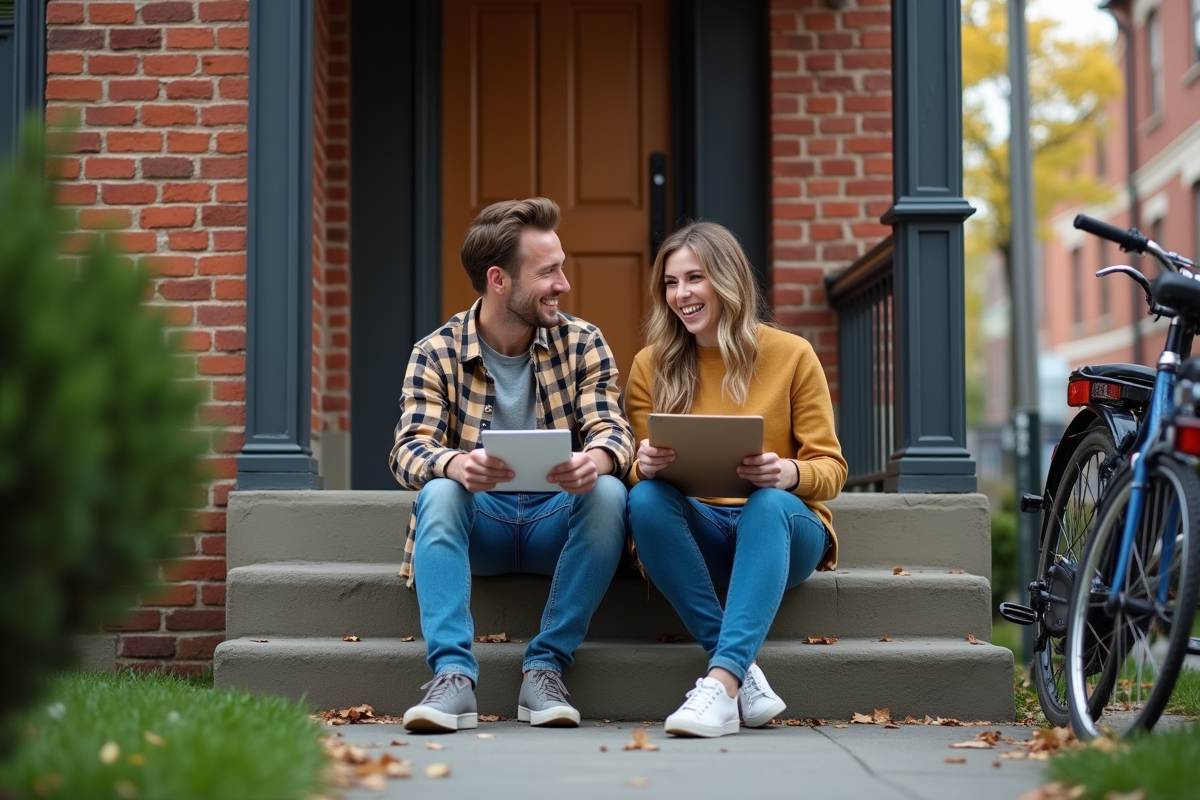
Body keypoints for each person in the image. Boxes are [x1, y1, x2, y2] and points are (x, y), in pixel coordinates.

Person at [389, 197, 634, 733]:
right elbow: (408, 449)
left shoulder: (582, 342)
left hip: (556, 525)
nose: (563, 284)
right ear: (498, 279)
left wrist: (594, 460)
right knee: (438, 492)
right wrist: (455, 464)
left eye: (561, 268)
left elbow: (615, 432)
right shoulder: (435, 352)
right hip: (482, 529)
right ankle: (453, 676)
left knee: (612, 492)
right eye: (547, 272)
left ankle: (545, 667)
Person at [625, 221, 847, 738]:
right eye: (671, 283)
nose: (681, 295)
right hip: (698, 532)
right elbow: (635, 469)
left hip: (782, 533)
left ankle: (720, 682)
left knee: (766, 503)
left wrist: (787, 472)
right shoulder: (649, 365)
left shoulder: (792, 355)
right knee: (647, 498)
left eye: (694, 279)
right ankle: (741, 675)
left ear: (728, 281)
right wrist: (644, 466)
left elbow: (832, 470)